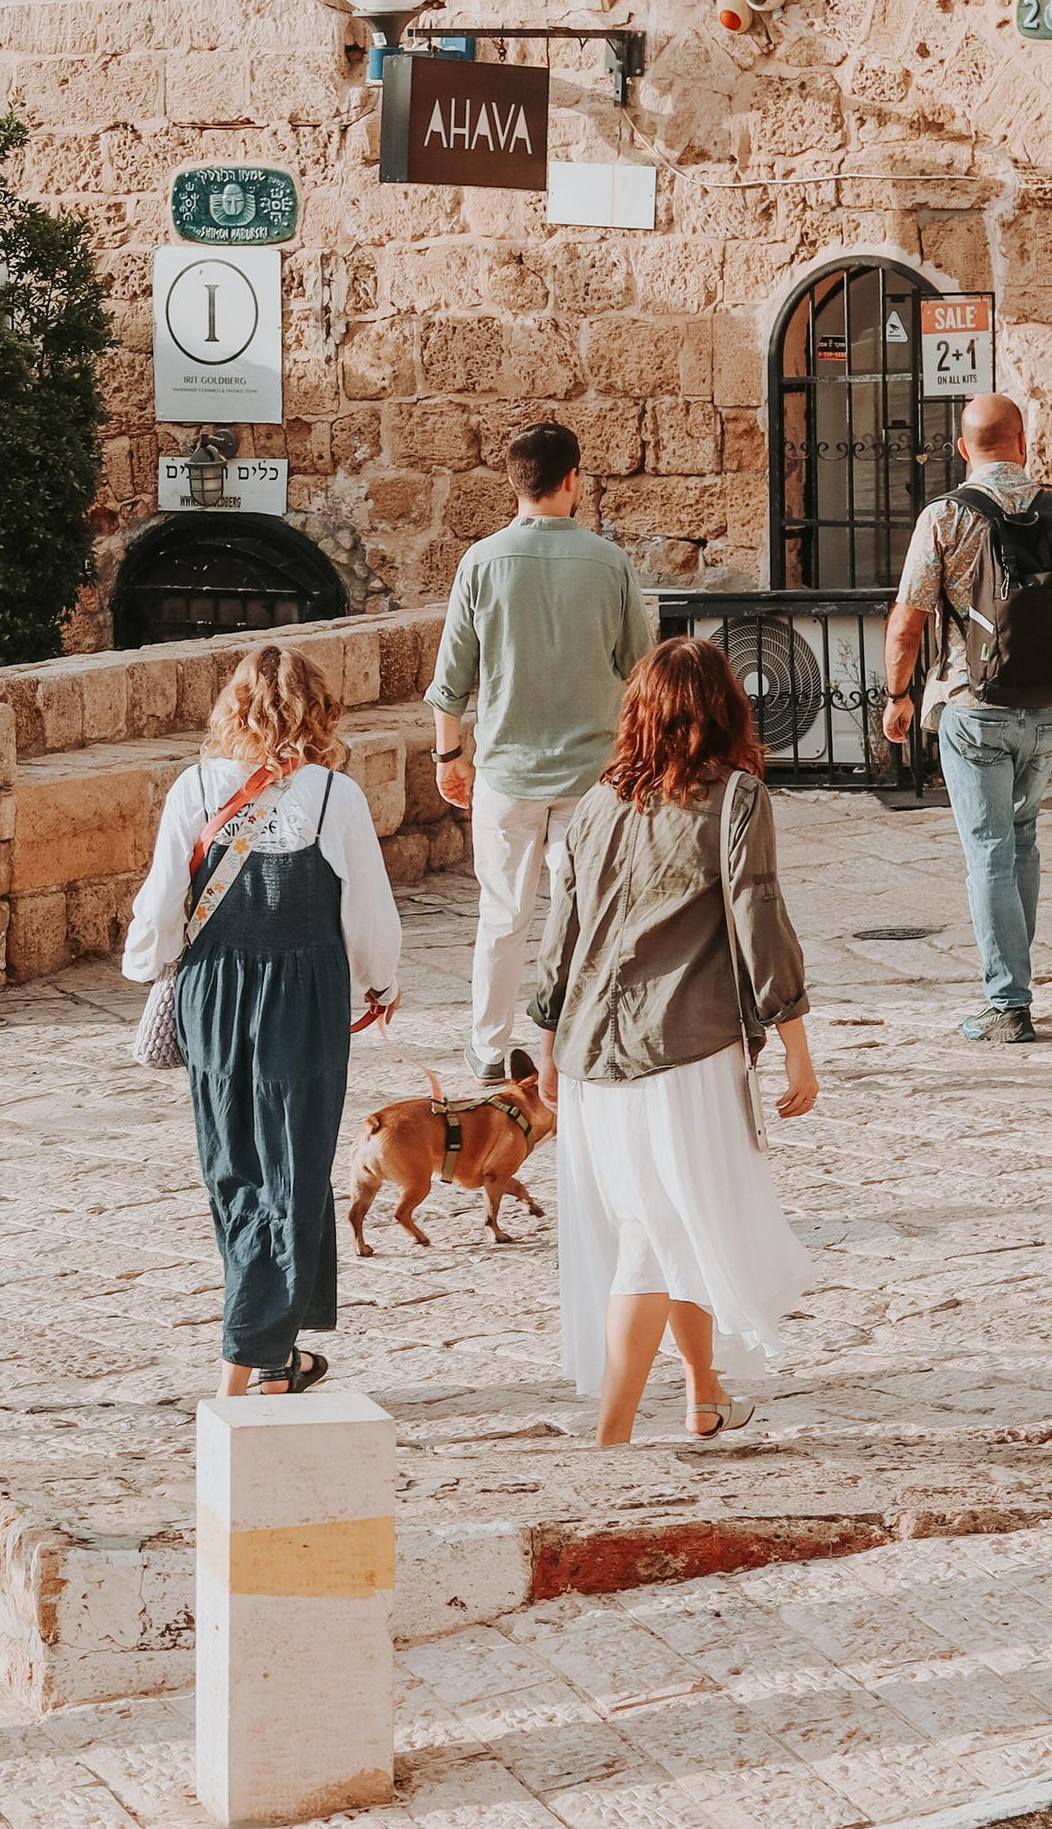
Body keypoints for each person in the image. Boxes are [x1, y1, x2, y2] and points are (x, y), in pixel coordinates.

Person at [528, 638, 820, 1446]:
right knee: (651, 1243)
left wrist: (547, 1038)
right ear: (726, 706)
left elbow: (561, 935)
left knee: (669, 1224)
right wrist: (796, 1041)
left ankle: (704, 1391)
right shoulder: (737, 799)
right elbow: (761, 918)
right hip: (684, 1055)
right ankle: (610, 1439)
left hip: (593, 1055)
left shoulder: (595, 802)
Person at [123, 643, 403, 1396]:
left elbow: (160, 902)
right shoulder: (332, 796)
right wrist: (381, 982)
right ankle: (249, 1361)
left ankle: (274, 1351)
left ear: (234, 708)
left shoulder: (194, 787)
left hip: (214, 991)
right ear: (319, 709)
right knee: (298, 1164)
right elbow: (368, 912)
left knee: (233, 1165)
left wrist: (149, 967)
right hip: (304, 996)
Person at [881, 391, 1052, 1045]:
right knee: (1023, 839)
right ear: (1023, 439)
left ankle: (1007, 1000)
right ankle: (1015, 979)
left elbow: (907, 622)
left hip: (973, 705)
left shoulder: (945, 517)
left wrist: (897, 695)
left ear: (963, 449)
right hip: (1047, 707)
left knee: (988, 849)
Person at [427, 422, 653, 1085]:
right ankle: (579, 1036)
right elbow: (641, 673)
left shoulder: (481, 562)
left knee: (502, 915)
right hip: (591, 778)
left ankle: (491, 1048)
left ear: (513, 482)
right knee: (583, 911)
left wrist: (449, 759)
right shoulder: (609, 563)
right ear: (573, 479)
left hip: (506, 772)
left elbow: (451, 684)